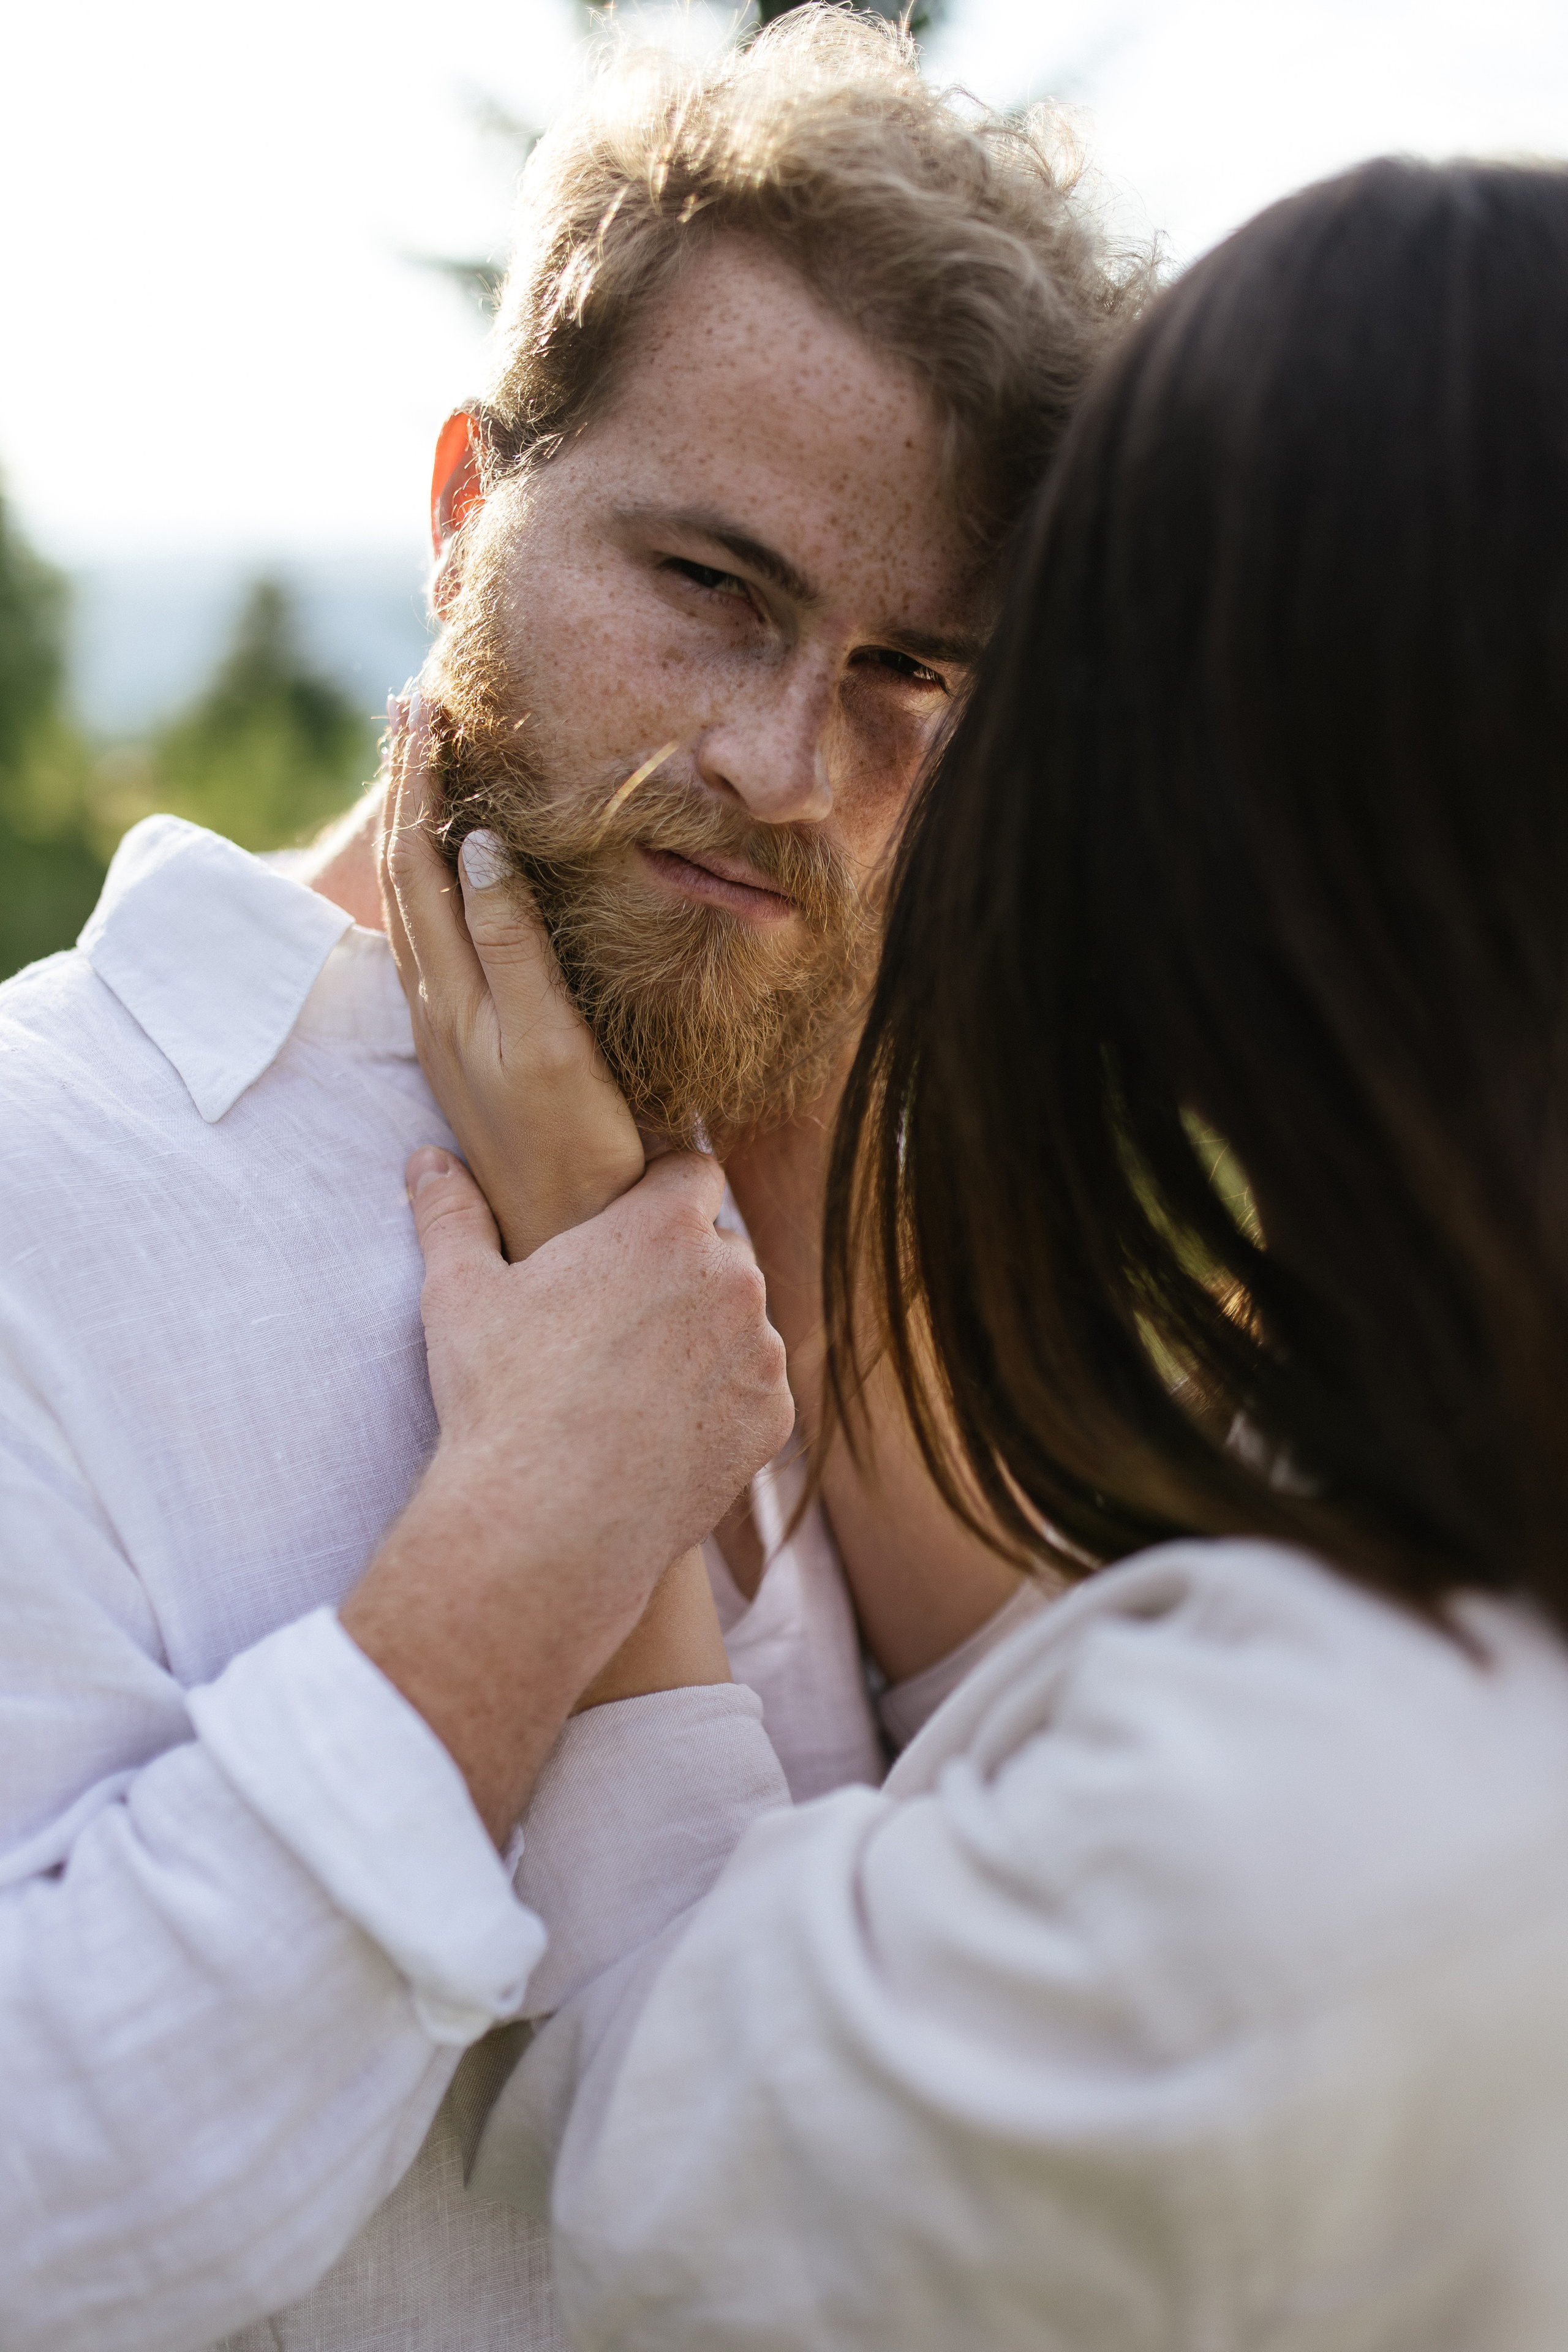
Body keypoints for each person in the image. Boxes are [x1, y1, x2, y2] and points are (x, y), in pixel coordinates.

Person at [0, 14, 1142, 2350]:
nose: (780, 764)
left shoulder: (806, 1168)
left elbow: (1089, 1993)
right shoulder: (49, 1176)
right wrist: (537, 1536)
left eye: (909, 670)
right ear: (460, 508)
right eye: (713, 582)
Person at [389, 156, 1568, 2346]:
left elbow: (668, 2144)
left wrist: (603, 1287)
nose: (800, 766)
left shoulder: (1322, 1823)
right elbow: (1072, 1682)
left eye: (950, 684)